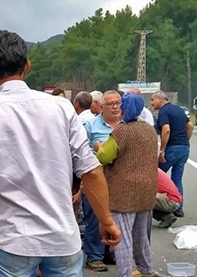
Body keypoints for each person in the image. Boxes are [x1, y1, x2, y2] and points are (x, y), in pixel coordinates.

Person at [0, 30, 120, 277]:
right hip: (62, 240)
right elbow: (91, 171)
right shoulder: (61, 108)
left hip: (14, 244)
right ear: (27, 66)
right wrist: (106, 220)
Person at [96, 93, 159, 277]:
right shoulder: (148, 128)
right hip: (147, 190)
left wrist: (99, 146)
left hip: (124, 192)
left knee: (122, 238)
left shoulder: (121, 131)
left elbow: (105, 157)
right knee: (141, 237)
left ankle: (124, 274)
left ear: (123, 109)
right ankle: (147, 269)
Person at [82, 90, 122, 272]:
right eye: (110, 104)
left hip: (120, 179)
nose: (115, 107)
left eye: (117, 103)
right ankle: (94, 256)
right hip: (97, 177)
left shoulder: (126, 125)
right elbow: (82, 152)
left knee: (114, 215)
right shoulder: (90, 125)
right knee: (93, 216)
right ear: (102, 107)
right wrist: (104, 153)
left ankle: (110, 252)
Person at [151, 91, 193, 217]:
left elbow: (166, 129)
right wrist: (185, 140)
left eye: (153, 99)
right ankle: (178, 207)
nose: (151, 103)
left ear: (160, 99)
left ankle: (157, 206)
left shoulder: (164, 111)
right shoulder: (179, 109)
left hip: (172, 148)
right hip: (184, 148)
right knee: (177, 177)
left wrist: (162, 149)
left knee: (153, 174)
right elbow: (190, 126)